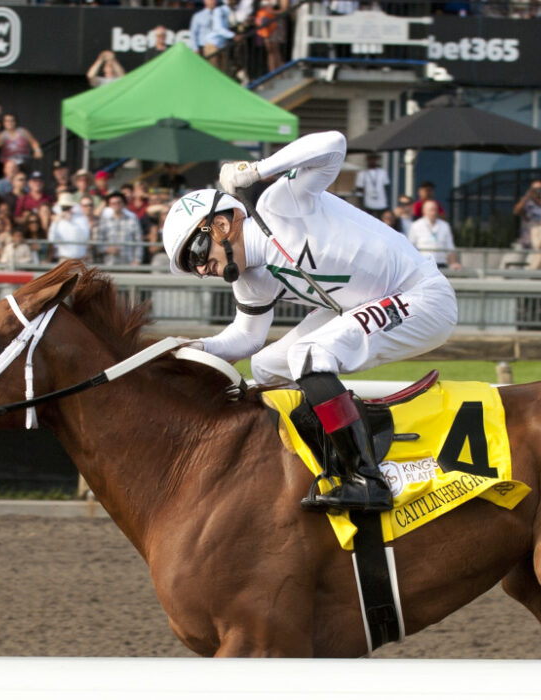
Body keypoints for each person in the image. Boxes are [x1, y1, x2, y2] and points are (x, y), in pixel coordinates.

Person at [161, 130, 457, 512]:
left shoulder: (279, 203)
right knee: (266, 365)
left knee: (310, 354)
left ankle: (366, 479)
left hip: (422, 296)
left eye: (197, 251)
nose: (202, 267)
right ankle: (311, 464)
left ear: (221, 223)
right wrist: (195, 348)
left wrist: (257, 170)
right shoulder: (250, 282)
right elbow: (246, 339)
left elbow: (333, 143)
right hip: (364, 306)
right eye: (191, 266)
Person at [407, 200, 462, 270]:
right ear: (424, 211)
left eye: (435, 210)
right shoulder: (416, 225)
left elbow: (450, 247)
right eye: (431, 210)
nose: (433, 212)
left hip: (441, 263)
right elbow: (411, 246)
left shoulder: (445, 225)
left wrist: (453, 263)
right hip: (423, 264)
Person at [95, 191, 142, 266]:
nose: (116, 205)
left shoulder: (132, 220)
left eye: (119, 202)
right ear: (110, 205)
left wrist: (137, 260)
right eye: (113, 203)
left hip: (129, 263)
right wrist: (107, 249)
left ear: (123, 203)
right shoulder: (104, 222)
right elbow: (98, 244)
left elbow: (138, 241)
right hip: (110, 264)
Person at [190, 0, 236, 72]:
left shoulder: (222, 13)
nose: (212, 2)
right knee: (212, 70)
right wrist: (195, 49)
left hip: (222, 46)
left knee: (223, 71)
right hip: (206, 47)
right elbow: (193, 34)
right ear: (204, 1)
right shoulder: (198, 16)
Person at [49, 193, 89, 262]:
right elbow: (51, 239)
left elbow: (85, 237)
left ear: (72, 207)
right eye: (63, 207)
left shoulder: (81, 218)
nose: (66, 209)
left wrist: (71, 222)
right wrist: (55, 222)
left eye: (68, 207)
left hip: (80, 260)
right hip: (64, 259)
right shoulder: (57, 220)